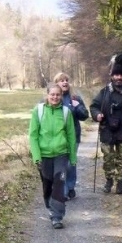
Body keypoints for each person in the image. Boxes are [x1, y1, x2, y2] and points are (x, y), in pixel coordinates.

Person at [90, 53, 122, 195]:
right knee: (108, 159)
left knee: (121, 160)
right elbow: (94, 106)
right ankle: (109, 181)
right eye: (116, 75)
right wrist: (97, 115)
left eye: (121, 75)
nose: (119, 78)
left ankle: (119, 183)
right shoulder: (104, 92)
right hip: (107, 131)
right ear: (111, 76)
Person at [29, 83, 77, 229]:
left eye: (58, 95)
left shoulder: (66, 112)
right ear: (47, 95)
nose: (55, 97)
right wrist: (36, 156)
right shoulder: (38, 111)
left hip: (61, 154)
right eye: (52, 95)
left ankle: (57, 216)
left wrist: (73, 157)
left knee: (58, 182)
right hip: (44, 155)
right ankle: (50, 208)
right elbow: (33, 135)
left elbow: (71, 135)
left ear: (61, 96)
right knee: (47, 184)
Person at [53, 72, 89, 200]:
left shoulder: (75, 98)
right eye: (61, 80)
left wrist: (77, 106)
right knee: (61, 164)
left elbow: (85, 116)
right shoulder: (54, 98)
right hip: (57, 138)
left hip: (73, 136)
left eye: (66, 80)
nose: (65, 82)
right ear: (56, 83)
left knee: (70, 163)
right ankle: (62, 191)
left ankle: (70, 187)